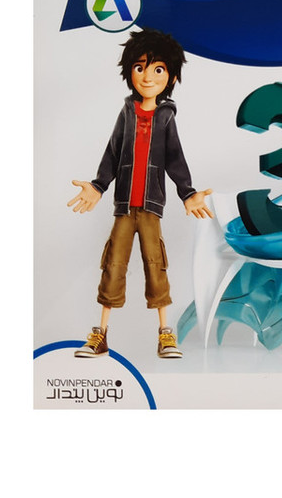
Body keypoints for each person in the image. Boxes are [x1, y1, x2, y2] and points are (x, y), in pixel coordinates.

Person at [68, 28, 213, 359]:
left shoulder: (166, 117)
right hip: (124, 208)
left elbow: (175, 158)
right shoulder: (127, 113)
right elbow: (112, 152)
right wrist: (99, 185)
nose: (148, 77)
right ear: (130, 71)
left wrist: (188, 192)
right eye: (140, 67)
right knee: (113, 266)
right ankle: (100, 334)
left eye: (158, 69)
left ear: (170, 76)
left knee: (155, 265)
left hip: (150, 208)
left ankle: (165, 334)